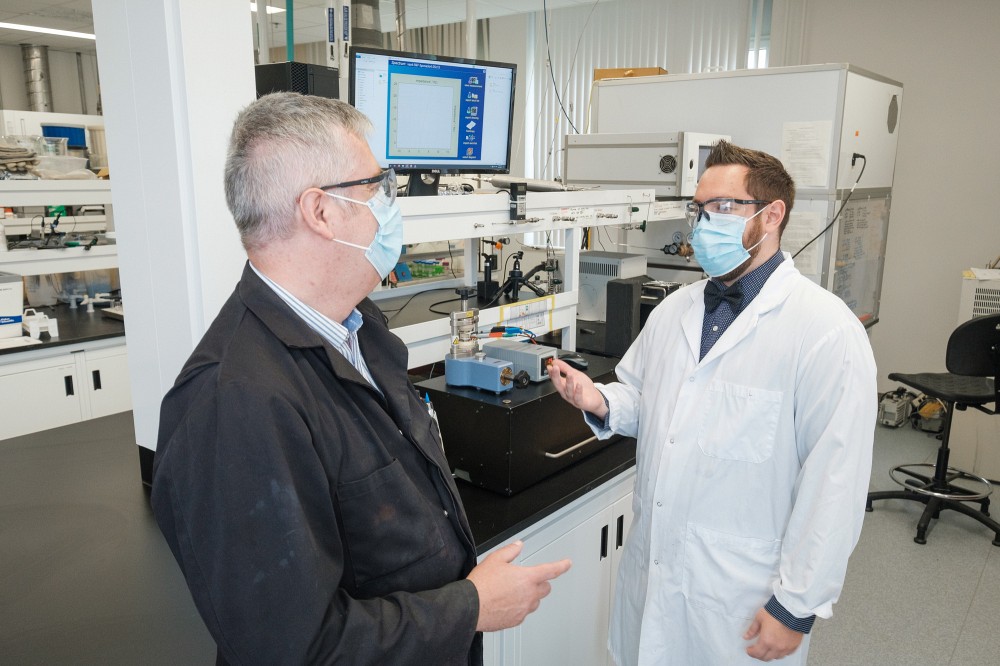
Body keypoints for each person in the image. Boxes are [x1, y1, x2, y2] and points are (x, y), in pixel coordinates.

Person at [151, 92, 571, 665]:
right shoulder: (235, 401)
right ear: (321, 211)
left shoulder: (358, 326)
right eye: (378, 186)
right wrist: (470, 606)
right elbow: (293, 650)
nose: (390, 204)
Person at [549, 140, 876, 665]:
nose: (704, 225)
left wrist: (796, 606)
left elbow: (836, 483)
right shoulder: (675, 310)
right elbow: (646, 399)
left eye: (724, 207)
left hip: (740, 598)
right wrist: (602, 400)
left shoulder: (824, 331)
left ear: (772, 216)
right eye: (700, 209)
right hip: (656, 573)